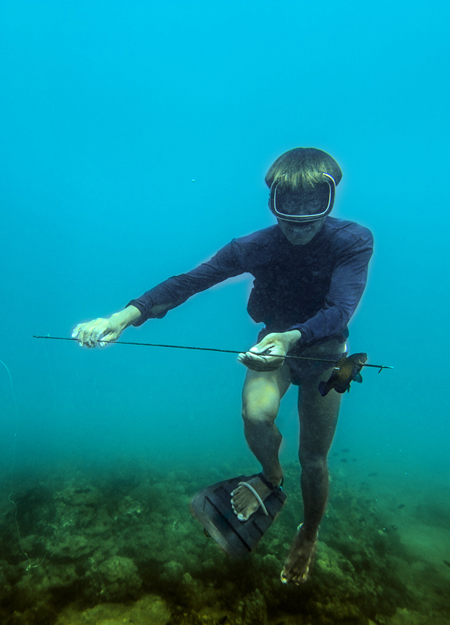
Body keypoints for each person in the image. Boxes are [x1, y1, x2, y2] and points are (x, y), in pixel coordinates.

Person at [72, 147, 373, 584]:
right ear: (273, 201)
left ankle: (308, 532)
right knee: (255, 413)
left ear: (331, 197)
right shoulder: (256, 246)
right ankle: (270, 476)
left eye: (315, 203)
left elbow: (341, 309)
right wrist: (121, 317)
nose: (302, 218)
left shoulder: (352, 241)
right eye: (290, 204)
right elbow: (190, 281)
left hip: (324, 355)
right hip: (274, 346)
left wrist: (292, 338)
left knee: (314, 459)